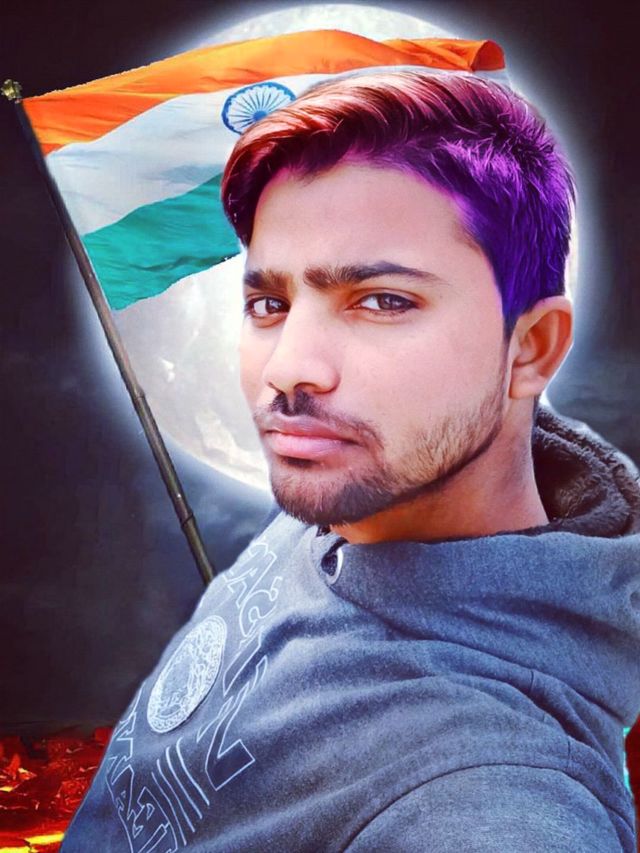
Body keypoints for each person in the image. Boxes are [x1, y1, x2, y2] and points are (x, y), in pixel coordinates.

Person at [61, 70, 640, 852]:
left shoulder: (493, 797)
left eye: (382, 300)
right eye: (269, 304)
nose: (288, 368)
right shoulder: (362, 486)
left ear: (531, 347)